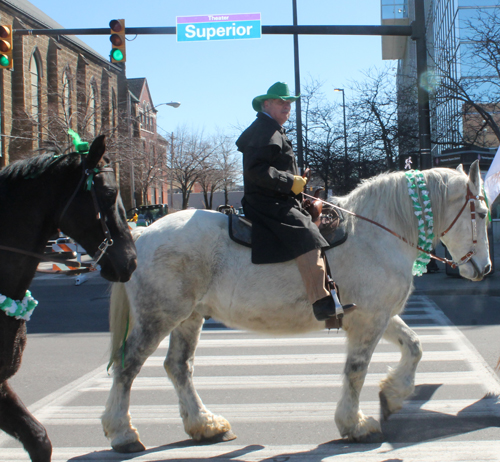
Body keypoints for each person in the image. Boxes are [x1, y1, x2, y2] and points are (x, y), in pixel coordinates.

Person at [236, 81, 354, 321]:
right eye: (281, 102)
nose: (287, 106)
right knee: (307, 235)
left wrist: (295, 182)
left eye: (289, 102)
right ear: (266, 104)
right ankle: (321, 302)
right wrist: (289, 182)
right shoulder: (264, 130)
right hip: (267, 202)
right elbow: (255, 170)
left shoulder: (271, 128)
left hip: (275, 198)